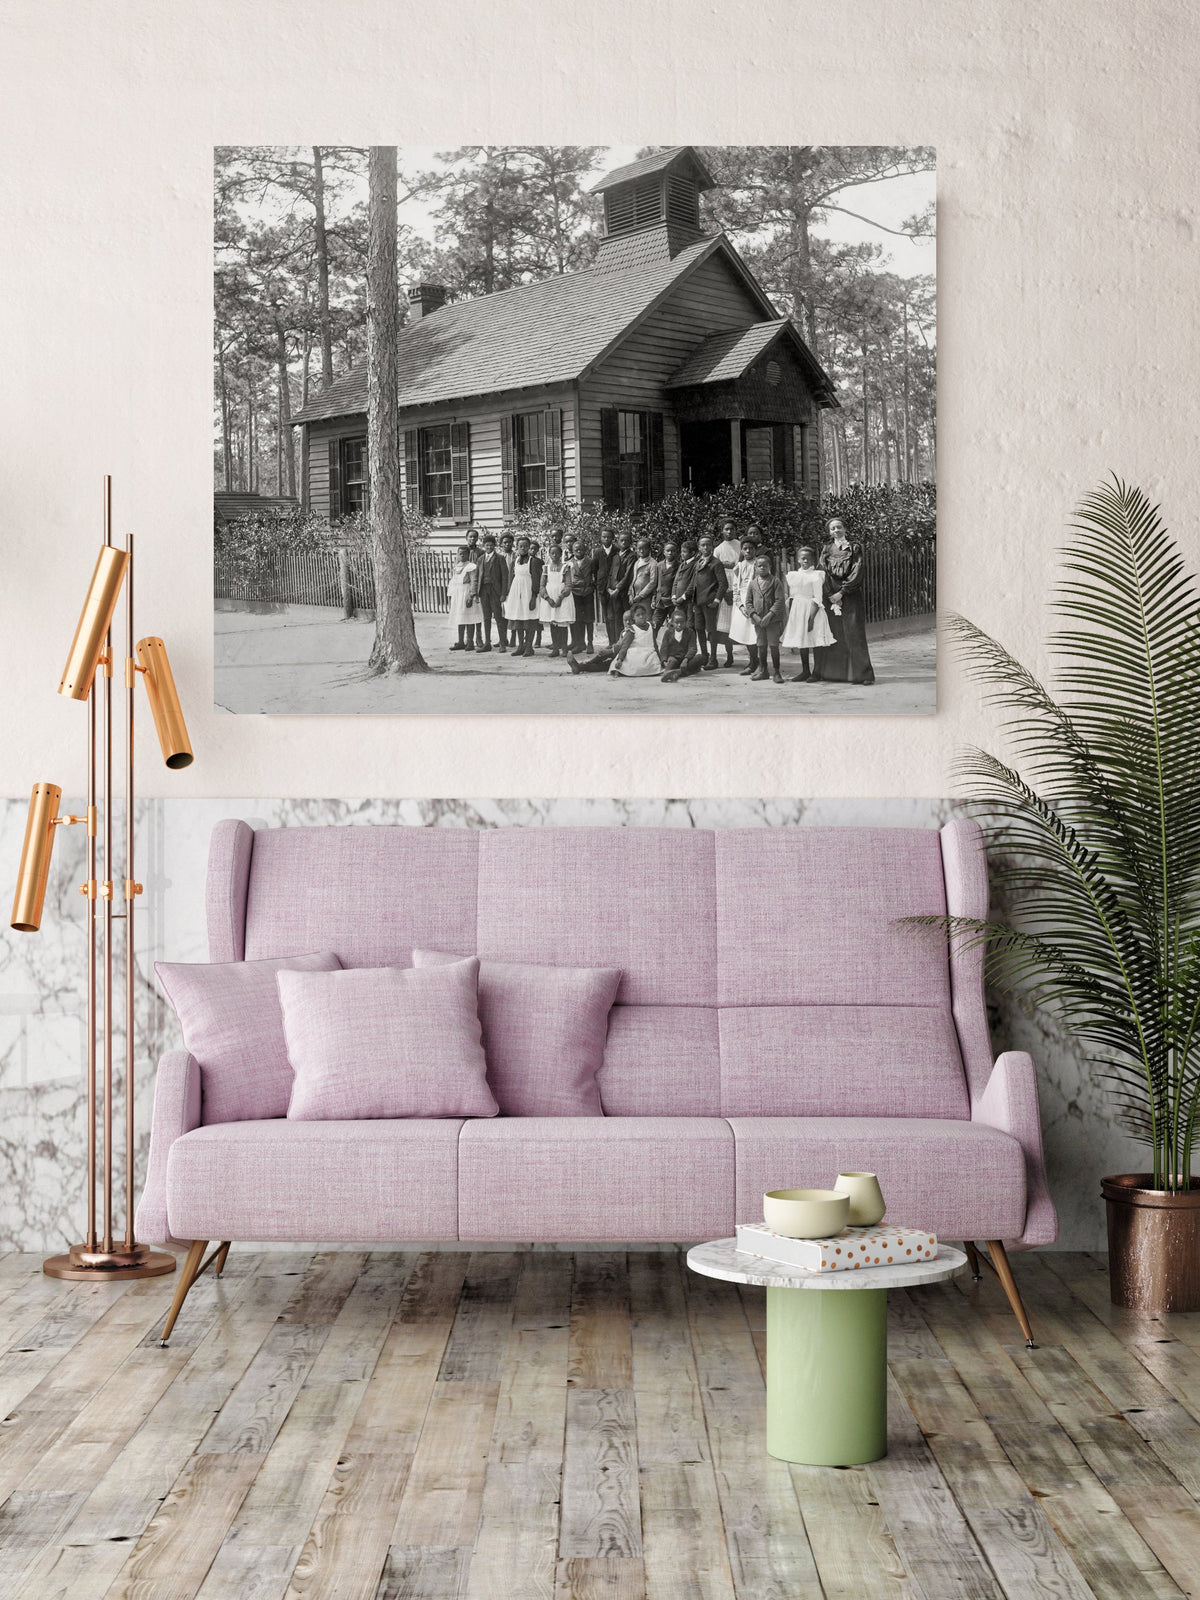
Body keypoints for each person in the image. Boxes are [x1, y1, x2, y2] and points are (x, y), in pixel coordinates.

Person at [820, 519, 875, 685]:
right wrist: (830, 594)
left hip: (850, 595)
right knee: (836, 634)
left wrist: (842, 593)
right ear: (829, 532)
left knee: (854, 634)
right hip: (831, 596)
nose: (836, 530)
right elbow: (823, 572)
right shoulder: (826, 549)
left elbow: (857, 571)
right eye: (833, 528)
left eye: (839, 527)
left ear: (845, 529)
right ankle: (838, 675)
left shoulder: (854, 548)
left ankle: (863, 675)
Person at [781, 543, 835, 681]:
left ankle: (817, 672)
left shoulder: (816, 575)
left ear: (813, 560)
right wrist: (792, 615)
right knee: (802, 641)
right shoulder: (794, 575)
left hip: (812, 611)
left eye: (808, 558)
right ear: (798, 560)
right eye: (802, 558)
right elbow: (793, 596)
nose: (805, 561)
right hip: (798, 611)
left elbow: (817, 598)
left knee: (815, 640)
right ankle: (805, 671)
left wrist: (811, 619)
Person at [745, 552, 788, 683]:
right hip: (758, 622)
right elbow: (748, 602)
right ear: (755, 567)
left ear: (770, 567)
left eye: (765, 565)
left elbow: (779, 601)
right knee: (761, 645)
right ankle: (763, 670)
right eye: (759, 566)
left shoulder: (775, 581)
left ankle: (777, 672)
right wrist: (755, 616)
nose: (762, 568)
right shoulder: (752, 584)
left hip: (772, 621)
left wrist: (769, 615)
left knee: (773, 645)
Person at [691, 533, 729, 670]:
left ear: (712, 547)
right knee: (699, 628)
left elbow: (723, 584)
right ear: (699, 547)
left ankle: (713, 659)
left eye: (708, 545)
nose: (706, 547)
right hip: (697, 602)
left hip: (709, 602)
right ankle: (704, 656)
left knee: (711, 630)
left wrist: (716, 600)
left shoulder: (716, 563)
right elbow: (694, 582)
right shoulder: (697, 562)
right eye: (703, 545)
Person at [503, 535, 542, 657]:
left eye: (526, 546)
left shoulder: (533, 562)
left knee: (530, 620)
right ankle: (521, 646)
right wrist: (509, 595)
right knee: (518, 619)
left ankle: (529, 647)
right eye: (521, 546)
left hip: (529, 594)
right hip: (516, 594)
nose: (523, 548)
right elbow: (510, 579)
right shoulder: (514, 562)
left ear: (529, 547)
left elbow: (536, 580)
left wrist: (534, 597)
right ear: (517, 547)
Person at [728, 530, 761, 674]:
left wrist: (753, 606)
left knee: (756, 635)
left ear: (755, 550)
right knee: (746, 634)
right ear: (741, 550)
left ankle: (759, 662)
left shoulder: (759, 565)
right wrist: (741, 606)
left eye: (751, 548)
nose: (748, 551)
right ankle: (753, 661)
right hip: (742, 603)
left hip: (755, 602)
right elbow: (735, 588)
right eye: (745, 548)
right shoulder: (739, 567)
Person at [474, 533, 510, 653]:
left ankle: (502, 643)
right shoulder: (480, 559)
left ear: (494, 546)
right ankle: (487, 643)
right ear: (483, 546)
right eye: (486, 545)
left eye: (491, 545)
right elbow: (477, 577)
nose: (489, 547)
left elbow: (505, 577)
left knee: (499, 617)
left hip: (495, 591)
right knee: (486, 617)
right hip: (484, 590)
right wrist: (476, 593)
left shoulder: (500, 558)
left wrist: (503, 593)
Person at [538, 542, 575, 657]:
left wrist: (560, 598)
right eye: (552, 553)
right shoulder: (546, 568)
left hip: (563, 599)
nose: (555, 555)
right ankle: (555, 648)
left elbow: (568, 585)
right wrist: (547, 598)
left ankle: (564, 648)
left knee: (562, 624)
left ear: (561, 554)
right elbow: (542, 586)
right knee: (553, 624)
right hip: (550, 599)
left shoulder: (565, 567)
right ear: (549, 554)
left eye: (557, 553)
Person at [713, 520, 741, 667]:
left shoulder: (741, 546)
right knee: (726, 626)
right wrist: (724, 592)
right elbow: (715, 572)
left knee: (741, 622)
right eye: (726, 529)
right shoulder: (718, 549)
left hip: (739, 586)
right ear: (722, 531)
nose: (729, 532)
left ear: (736, 530)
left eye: (732, 529)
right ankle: (729, 655)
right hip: (724, 587)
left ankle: (753, 659)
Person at [657, 602, 703, 682]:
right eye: (677, 622)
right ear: (672, 622)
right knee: (672, 661)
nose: (679, 625)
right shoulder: (668, 632)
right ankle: (670, 672)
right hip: (673, 658)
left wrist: (686, 659)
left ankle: (677, 673)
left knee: (700, 657)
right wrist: (664, 661)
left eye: (682, 622)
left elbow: (692, 648)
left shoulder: (690, 632)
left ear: (686, 622)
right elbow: (664, 648)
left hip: (686, 660)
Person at [604, 531, 635, 647]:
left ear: (630, 542)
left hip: (623, 593)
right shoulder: (616, 556)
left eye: (626, 541)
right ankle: (616, 643)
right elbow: (610, 574)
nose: (624, 543)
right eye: (621, 540)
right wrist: (608, 588)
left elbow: (628, 575)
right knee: (615, 618)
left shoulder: (631, 556)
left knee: (626, 617)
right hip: (613, 593)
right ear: (617, 541)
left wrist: (617, 589)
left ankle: (626, 643)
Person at [447, 545, 479, 651]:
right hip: (458, 594)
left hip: (466, 593)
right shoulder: (457, 566)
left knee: (469, 618)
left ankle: (470, 642)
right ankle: (460, 642)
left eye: (464, 553)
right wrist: (451, 595)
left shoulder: (471, 566)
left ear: (468, 554)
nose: (462, 555)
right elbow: (453, 582)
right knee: (460, 618)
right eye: (460, 553)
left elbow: (474, 581)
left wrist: (471, 595)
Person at [567, 536, 596, 654]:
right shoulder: (569, 562)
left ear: (585, 550)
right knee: (577, 619)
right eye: (576, 550)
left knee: (589, 619)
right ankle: (579, 643)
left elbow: (595, 576)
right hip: (575, 594)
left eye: (581, 549)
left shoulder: (590, 561)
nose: (579, 551)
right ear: (572, 551)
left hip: (587, 593)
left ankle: (590, 643)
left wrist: (591, 586)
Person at [653, 540, 680, 631]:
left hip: (673, 601)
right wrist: (654, 599)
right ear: (664, 552)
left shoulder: (680, 566)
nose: (670, 553)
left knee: (673, 627)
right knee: (655, 625)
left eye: (673, 551)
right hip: (660, 601)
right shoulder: (659, 565)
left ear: (677, 552)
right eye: (668, 551)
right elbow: (655, 583)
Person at [628, 537, 659, 614]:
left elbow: (652, 582)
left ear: (649, 549)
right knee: (636, 616)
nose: (641, 551)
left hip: (645, 597)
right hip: (635, 596)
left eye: (644, 548)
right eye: (639, 548)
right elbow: (633, 579)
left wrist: (641, 596)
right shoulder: (637, 562)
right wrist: (630, 594)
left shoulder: (653, 564)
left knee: (645, 616)